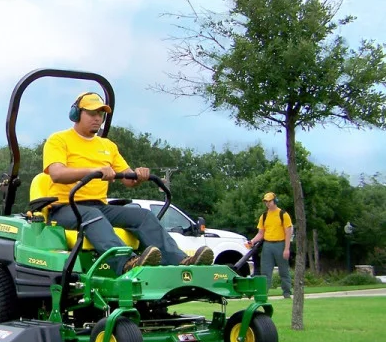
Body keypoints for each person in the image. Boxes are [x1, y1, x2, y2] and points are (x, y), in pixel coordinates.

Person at [43, 91, 213, 275]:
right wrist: (94, 171)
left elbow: (127, 179)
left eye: (101, 114)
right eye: (92, 113)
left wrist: (138, 175)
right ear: (76, 114)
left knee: (143, 215)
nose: (97, 118)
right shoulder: (59, 140)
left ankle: (180, 262)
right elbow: (57, 174)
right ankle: (126, 263)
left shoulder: (108, 146)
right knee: (92, 215)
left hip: (99, 207)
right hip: (65, 207)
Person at [248, 192, 294, 298]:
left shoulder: (283, 214)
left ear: (275, 201)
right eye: (266, 201)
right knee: (265, 272)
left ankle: (287, 293)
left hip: (281, 244)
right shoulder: (264, 216)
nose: (268, 203)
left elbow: (288, 233)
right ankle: (264, 293)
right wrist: (252, 241)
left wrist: (286, 249)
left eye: (269, 201)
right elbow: (260, 233)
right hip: (267, 245)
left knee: (283, 271)